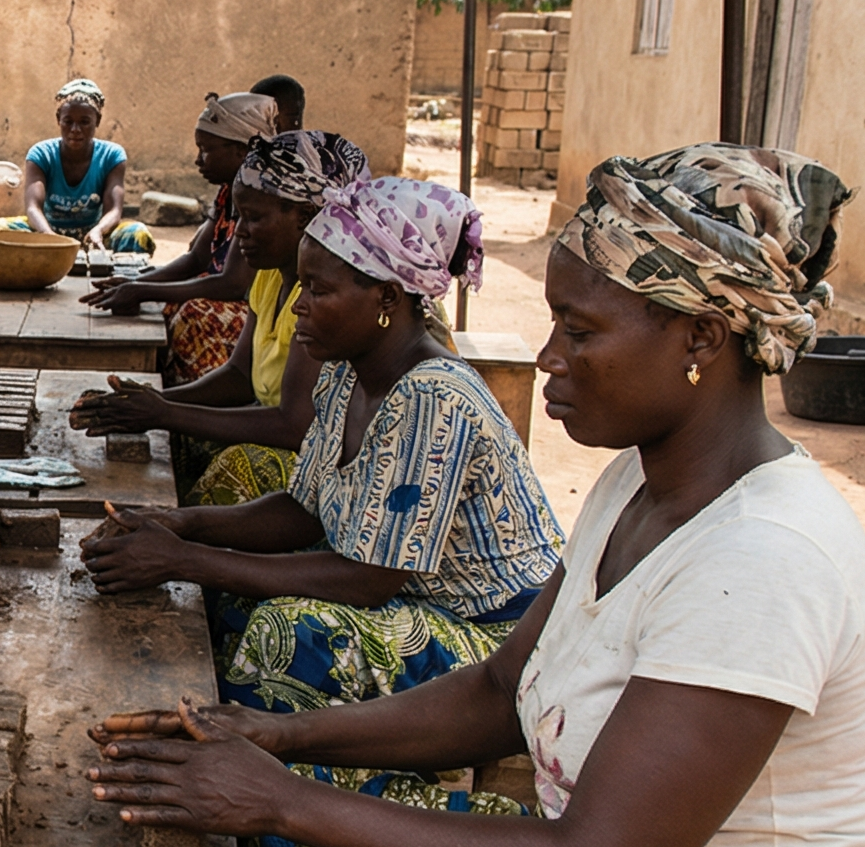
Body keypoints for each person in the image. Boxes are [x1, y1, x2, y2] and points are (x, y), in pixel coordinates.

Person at [87, 146, 865, 847]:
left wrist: (281, 794)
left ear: (702, 340)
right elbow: (492, 692)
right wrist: (272, 738)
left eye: (580, 330)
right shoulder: (636, 484)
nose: (547, 358)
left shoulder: (764, 557)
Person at [82, 178, 559, 710]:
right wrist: (176, 524)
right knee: (233, 589)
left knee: (292, 634)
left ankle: (255, 747)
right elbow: (302, 510)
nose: (299, 307)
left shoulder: (433, 397)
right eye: (302, 287)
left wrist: (185, 559)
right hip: (413, 595)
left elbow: (370, 580)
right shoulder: (345, 371)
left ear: (387, 297)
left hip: (500, 639)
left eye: (318, 290)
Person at [73, 128, 372, 506]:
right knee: (179, 438)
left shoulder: (326, 299)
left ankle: (180, 534)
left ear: (304, 216)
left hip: (337, 464)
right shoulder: (270, 276)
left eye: (253, 218)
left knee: (243, 466)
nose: (240, 232)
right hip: (289, 434)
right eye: (239, 217)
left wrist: (164, 412)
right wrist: (152, 402)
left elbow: (294, 426)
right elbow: (239, 377)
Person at [81, 91, 278, 387]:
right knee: (169, 305)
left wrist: (143, 290)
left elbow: (232, 284)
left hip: (257, 309)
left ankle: (198, 400)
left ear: (242, 151)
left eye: (206, 150)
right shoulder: (227, 192)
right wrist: (136, 283)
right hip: (229, 295)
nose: (198, 160)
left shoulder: (259, 198)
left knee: (194, 314)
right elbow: (196, 259)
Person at [20, 78, 130, 246]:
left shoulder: (111, 155)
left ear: (97, 121)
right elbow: (32, 208)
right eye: (68, 121)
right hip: (46, 230)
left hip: (93, 233)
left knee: (137, 234)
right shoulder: (41, 154)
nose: (75, 130)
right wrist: (48, 236)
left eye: (84, 122)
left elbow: (114, 210)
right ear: (58, 119)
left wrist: (99, 231)